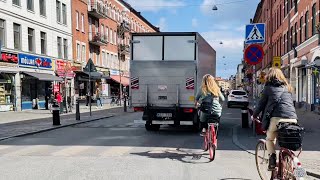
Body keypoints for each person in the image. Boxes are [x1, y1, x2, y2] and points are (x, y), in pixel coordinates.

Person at [253, 67, 297, 171]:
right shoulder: (287, 87)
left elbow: (261, 105)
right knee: (288, 144)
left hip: (276, 119)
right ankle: (300, 174)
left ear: (269, 76)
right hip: (292, 118)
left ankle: (272, 162)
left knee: (270, 139)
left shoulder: (268, 88)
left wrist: (254, 115)